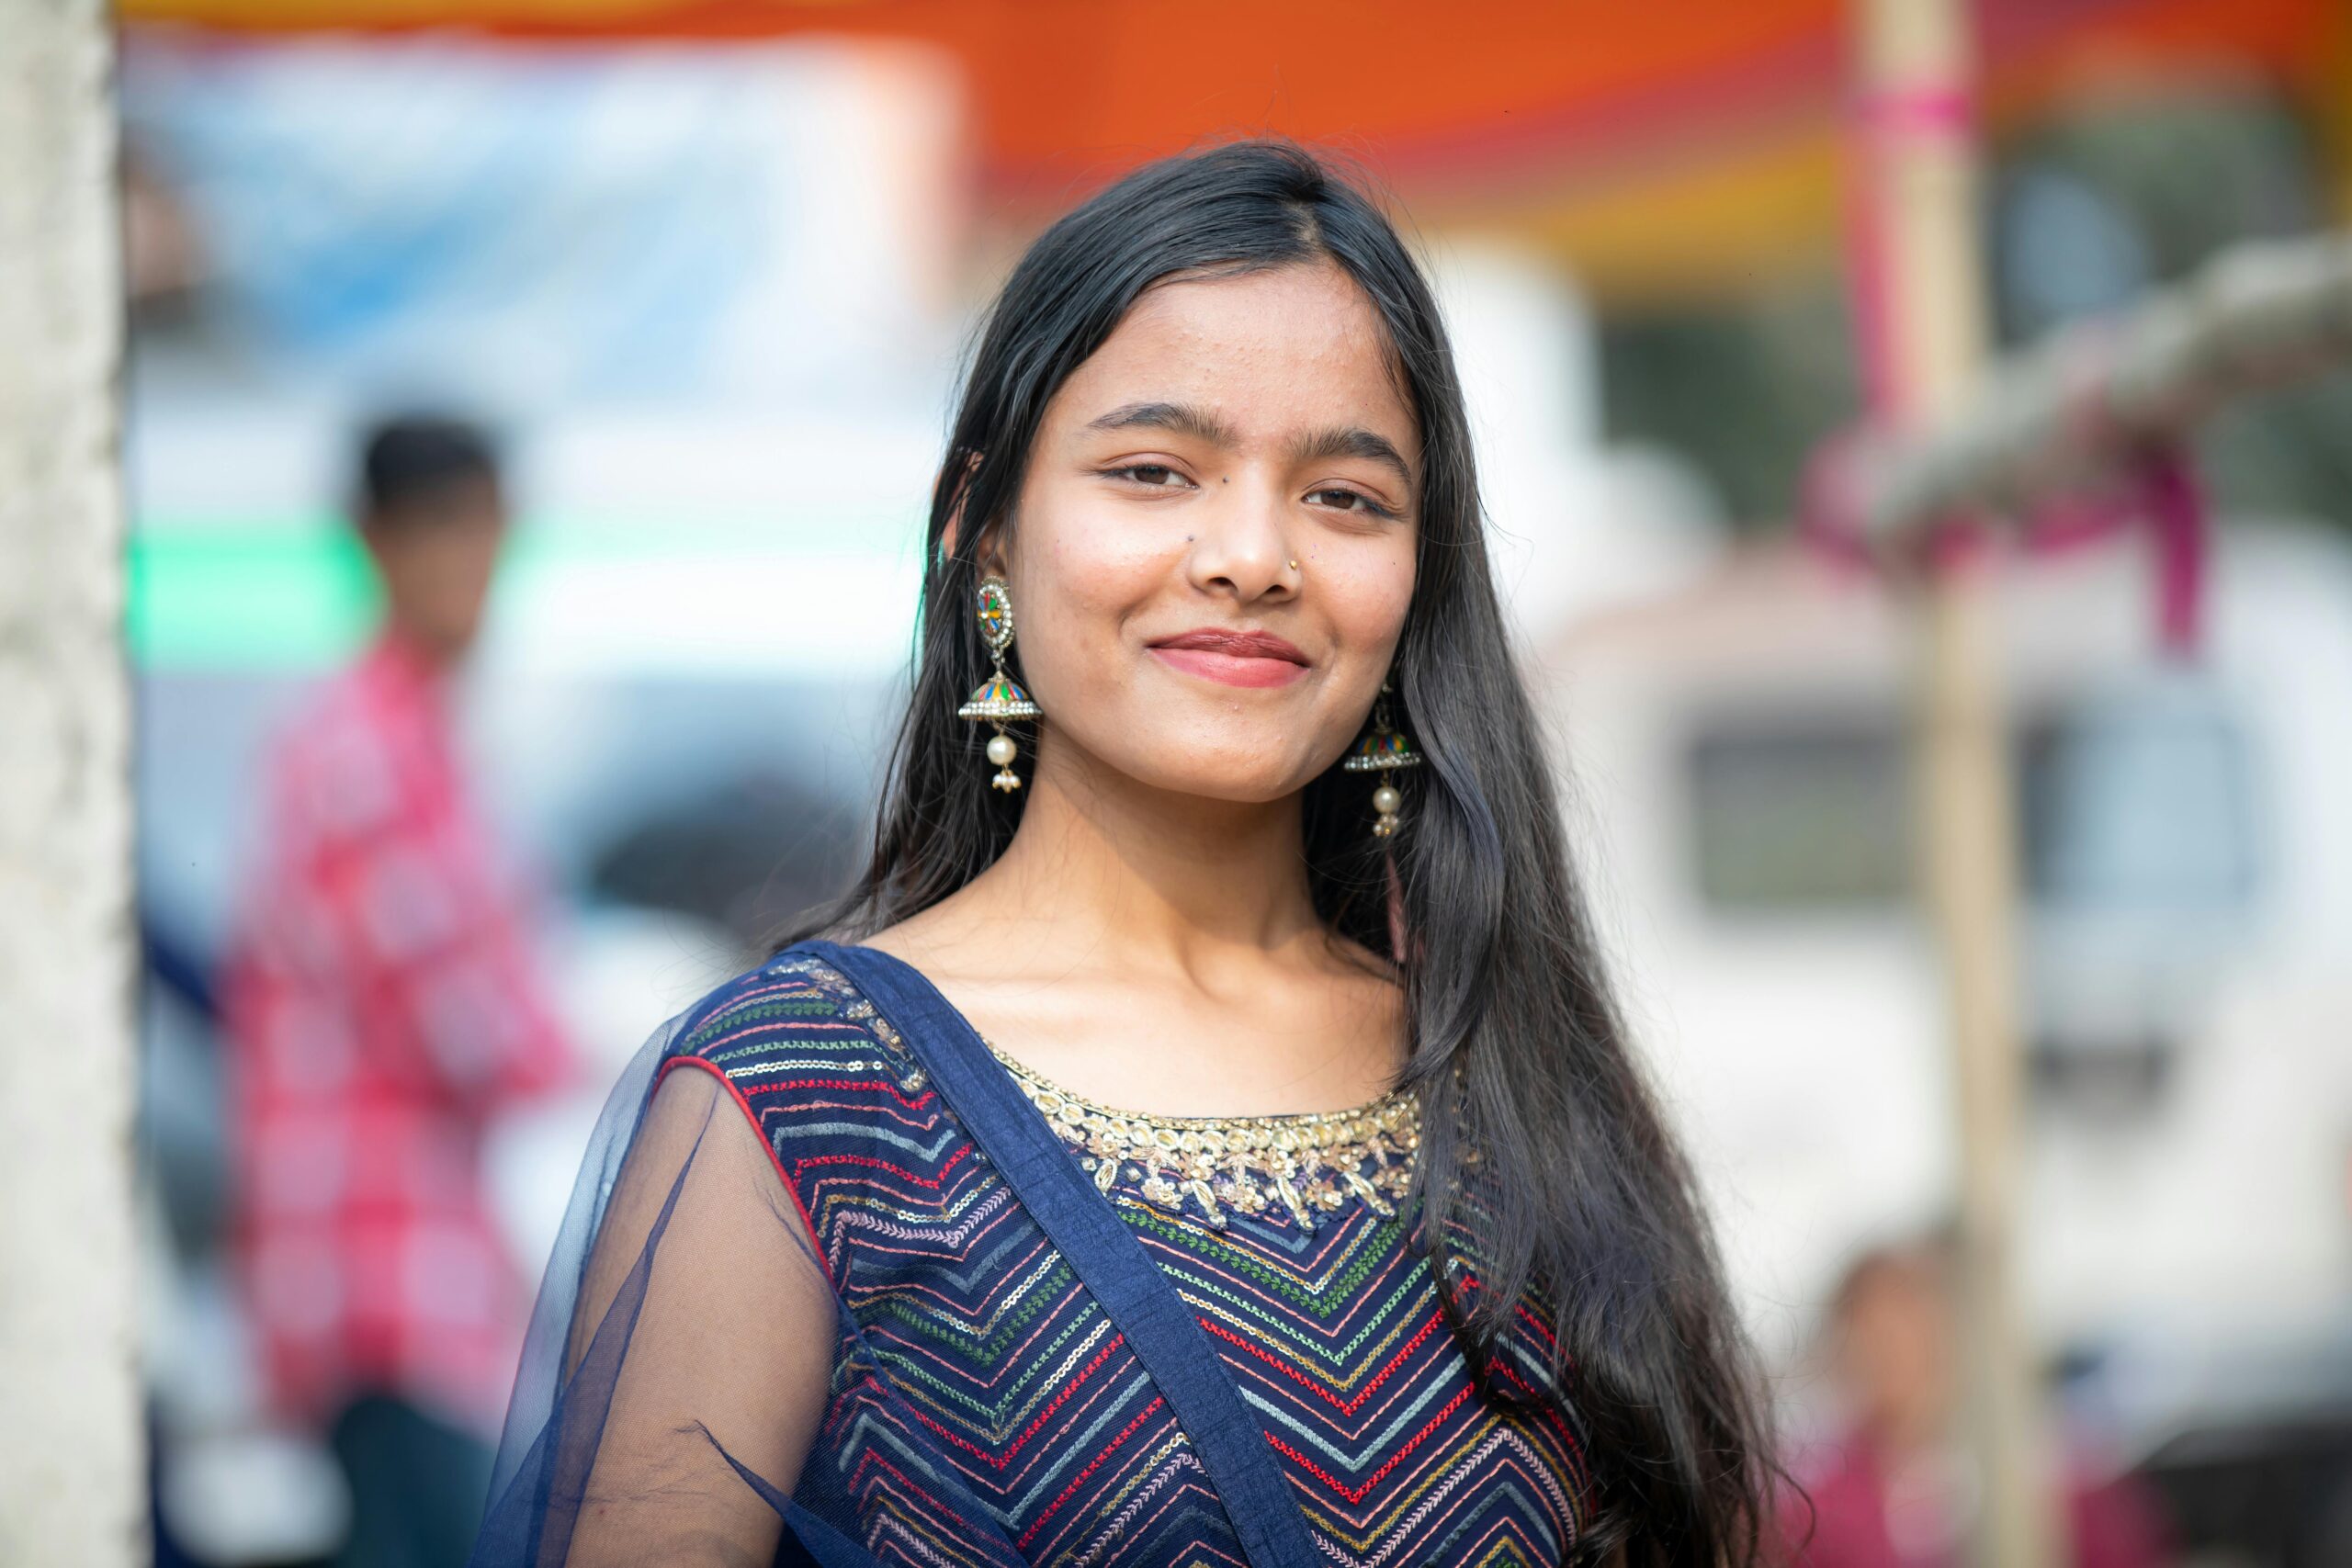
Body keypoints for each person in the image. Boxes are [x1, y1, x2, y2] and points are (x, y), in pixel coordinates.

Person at [469, 141, 1773, 1568]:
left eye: (1345, 496)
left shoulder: (1509, 1074)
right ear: (984, 538)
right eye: (1155, 471)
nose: (1251, 552)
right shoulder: (807, 1096)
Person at [223, 415, 577, 1568]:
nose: (464, 567)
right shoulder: (363, 751)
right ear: (370, 546)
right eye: (436, 533)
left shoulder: (413, 737)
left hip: (410, 1274)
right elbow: (474, 1028)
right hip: (377, 1278)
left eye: (480, 532)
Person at [1776, 1235, 2174, 1567]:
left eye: (1910, 1334)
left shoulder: (2055, 1473)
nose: (1894, 1359)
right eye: (1873, 1338)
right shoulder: (1815, 1506)